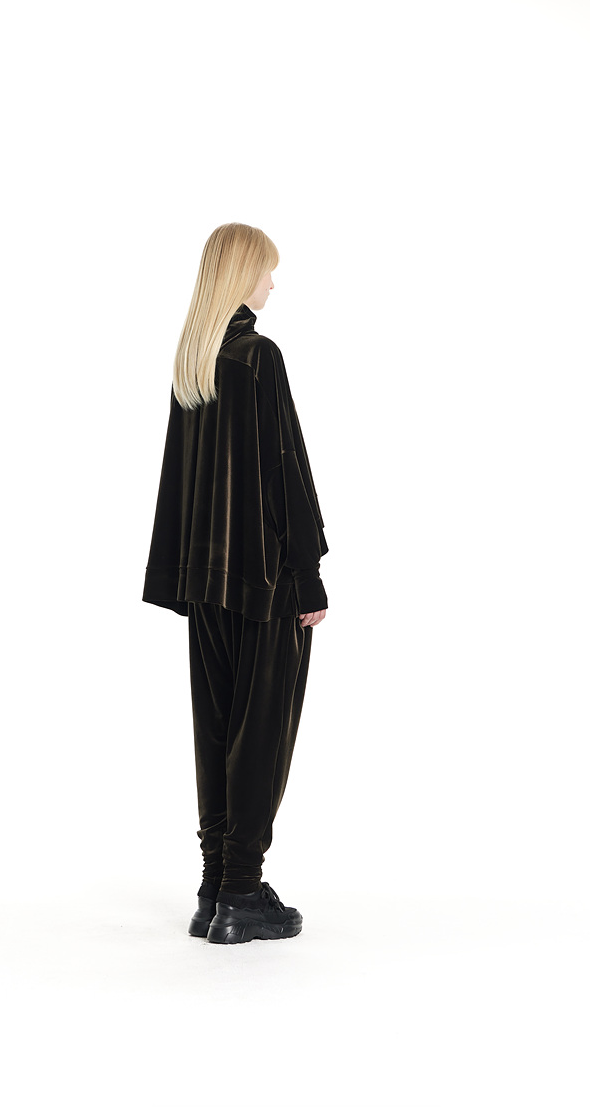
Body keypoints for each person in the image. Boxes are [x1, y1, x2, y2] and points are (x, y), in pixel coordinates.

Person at [142, 222, 329, 944]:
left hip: (206, 581)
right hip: (262, 579)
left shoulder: (194, 360)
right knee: (261, 734)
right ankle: (242, 894)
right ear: (245, 272)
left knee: (217, 729)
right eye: (267, 270)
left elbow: (184, 481)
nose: (273, 283)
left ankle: (215, 887)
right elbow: (284, 468)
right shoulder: (258, 356)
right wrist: (307, 575)